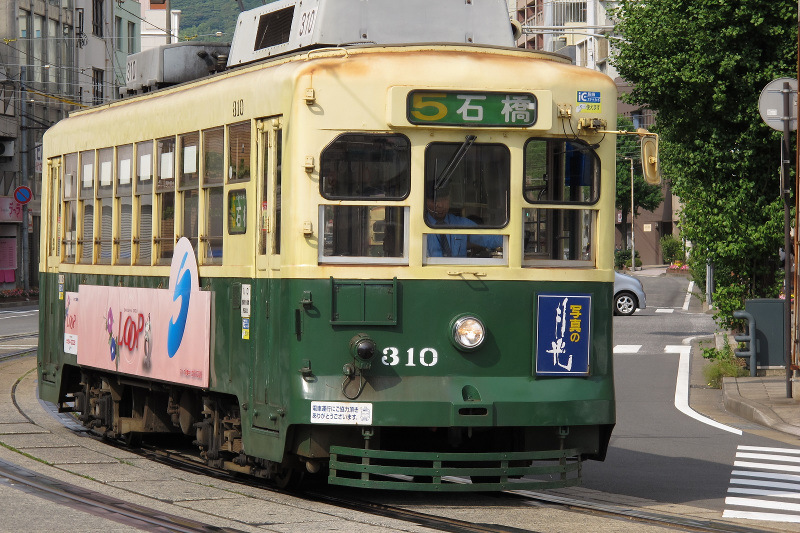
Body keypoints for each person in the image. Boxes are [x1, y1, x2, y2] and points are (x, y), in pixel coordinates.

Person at [425, 186, 502, 257]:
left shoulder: (461, 224)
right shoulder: (419, 225)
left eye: (444, 199)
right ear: (425, 202)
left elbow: (489, 238)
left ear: (449, 199)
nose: (440, 205)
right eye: (434, 200)